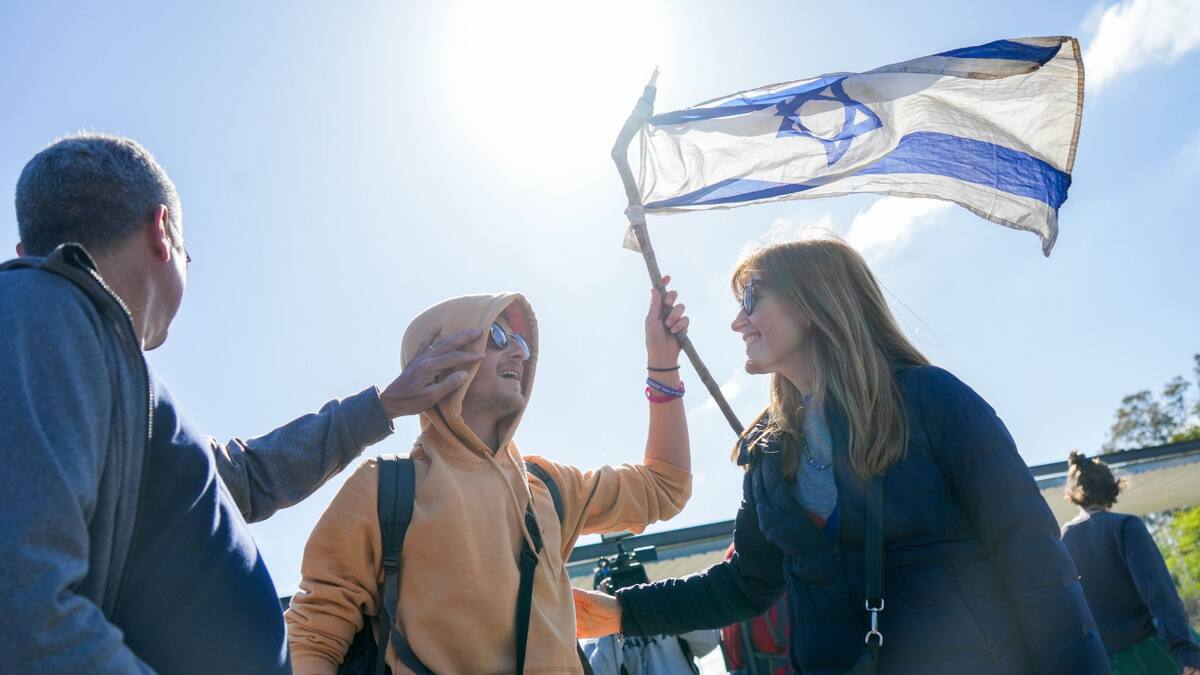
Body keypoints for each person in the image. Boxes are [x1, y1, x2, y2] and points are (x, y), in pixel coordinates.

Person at [0, 133, 482, 674]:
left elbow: (243, 478)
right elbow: (23, 615)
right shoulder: (35, 308)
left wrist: (384, 405)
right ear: (162, 233)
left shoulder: (94, 367)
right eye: (189, 251)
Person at [573, 238, 1110, 674]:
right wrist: (619, 613)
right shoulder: (768, 453)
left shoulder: (932, 400)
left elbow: (1037, 565)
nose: (738, 323)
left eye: (752, 297)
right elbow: (746, 583)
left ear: (814, 300)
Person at [285, 286, 694, 674]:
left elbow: (665, 487)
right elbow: (314, 636)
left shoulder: (548, 486)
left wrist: (663, 362)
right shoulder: (380, 489)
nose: (519, 350)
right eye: (498, 335)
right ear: (437, 356)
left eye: (524, 343)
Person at [1061, 451, 1200, 675]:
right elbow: (1159, 592)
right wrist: (1186, 649)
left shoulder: (1063, 540)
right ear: (1113, 487)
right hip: (1156, 652)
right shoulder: (1126, 526)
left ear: (1073, 492)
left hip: (1108, 664)